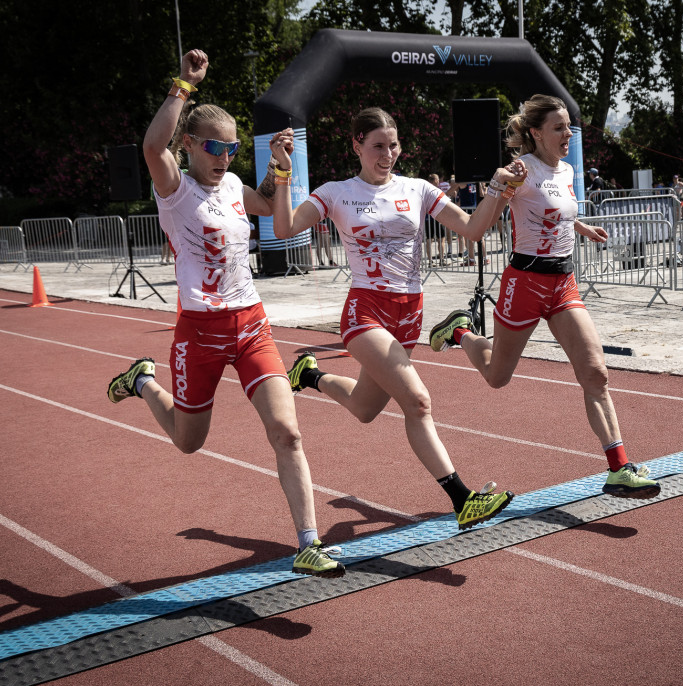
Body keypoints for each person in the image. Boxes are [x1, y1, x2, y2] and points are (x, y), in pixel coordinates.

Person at [105, 49, 344, 578]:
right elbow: (151, 146)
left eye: (232, 148)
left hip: (252, 324)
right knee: (189, 442)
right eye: (214, 147)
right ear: (190, 144)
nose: (224, 157)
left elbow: (267, 203)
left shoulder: (234, 185)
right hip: (200, 332)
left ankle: (308, 542)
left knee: (287, 432)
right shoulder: (175, 189)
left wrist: (279, 164)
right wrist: (182, 86)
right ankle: (143, 381)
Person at [269, 107, 522, 530]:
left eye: (393, 145)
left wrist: (499, 188)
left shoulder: (417, 189)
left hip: (410, 313)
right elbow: (284, 228)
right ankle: (463, 500)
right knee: (417, 402)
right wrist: (282, 173)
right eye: (377, 146)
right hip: (365, 311)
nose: (387, 155)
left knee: (364, 408)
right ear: (357, 145)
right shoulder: (336, 192)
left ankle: (309, 375)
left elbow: (473, 229)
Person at [428, 94, 660, 500]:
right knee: (497, 377)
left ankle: (619, 468)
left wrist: (582, 229)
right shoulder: (522, 171)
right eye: (559, 127)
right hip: (525, 282)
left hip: (563, 283)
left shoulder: (566, 170)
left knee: (596, 373)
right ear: (536, 133)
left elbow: (558, 211)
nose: (568, 133)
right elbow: (485, 222)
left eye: (568, 126)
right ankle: (461, 332)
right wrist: (499, 184)